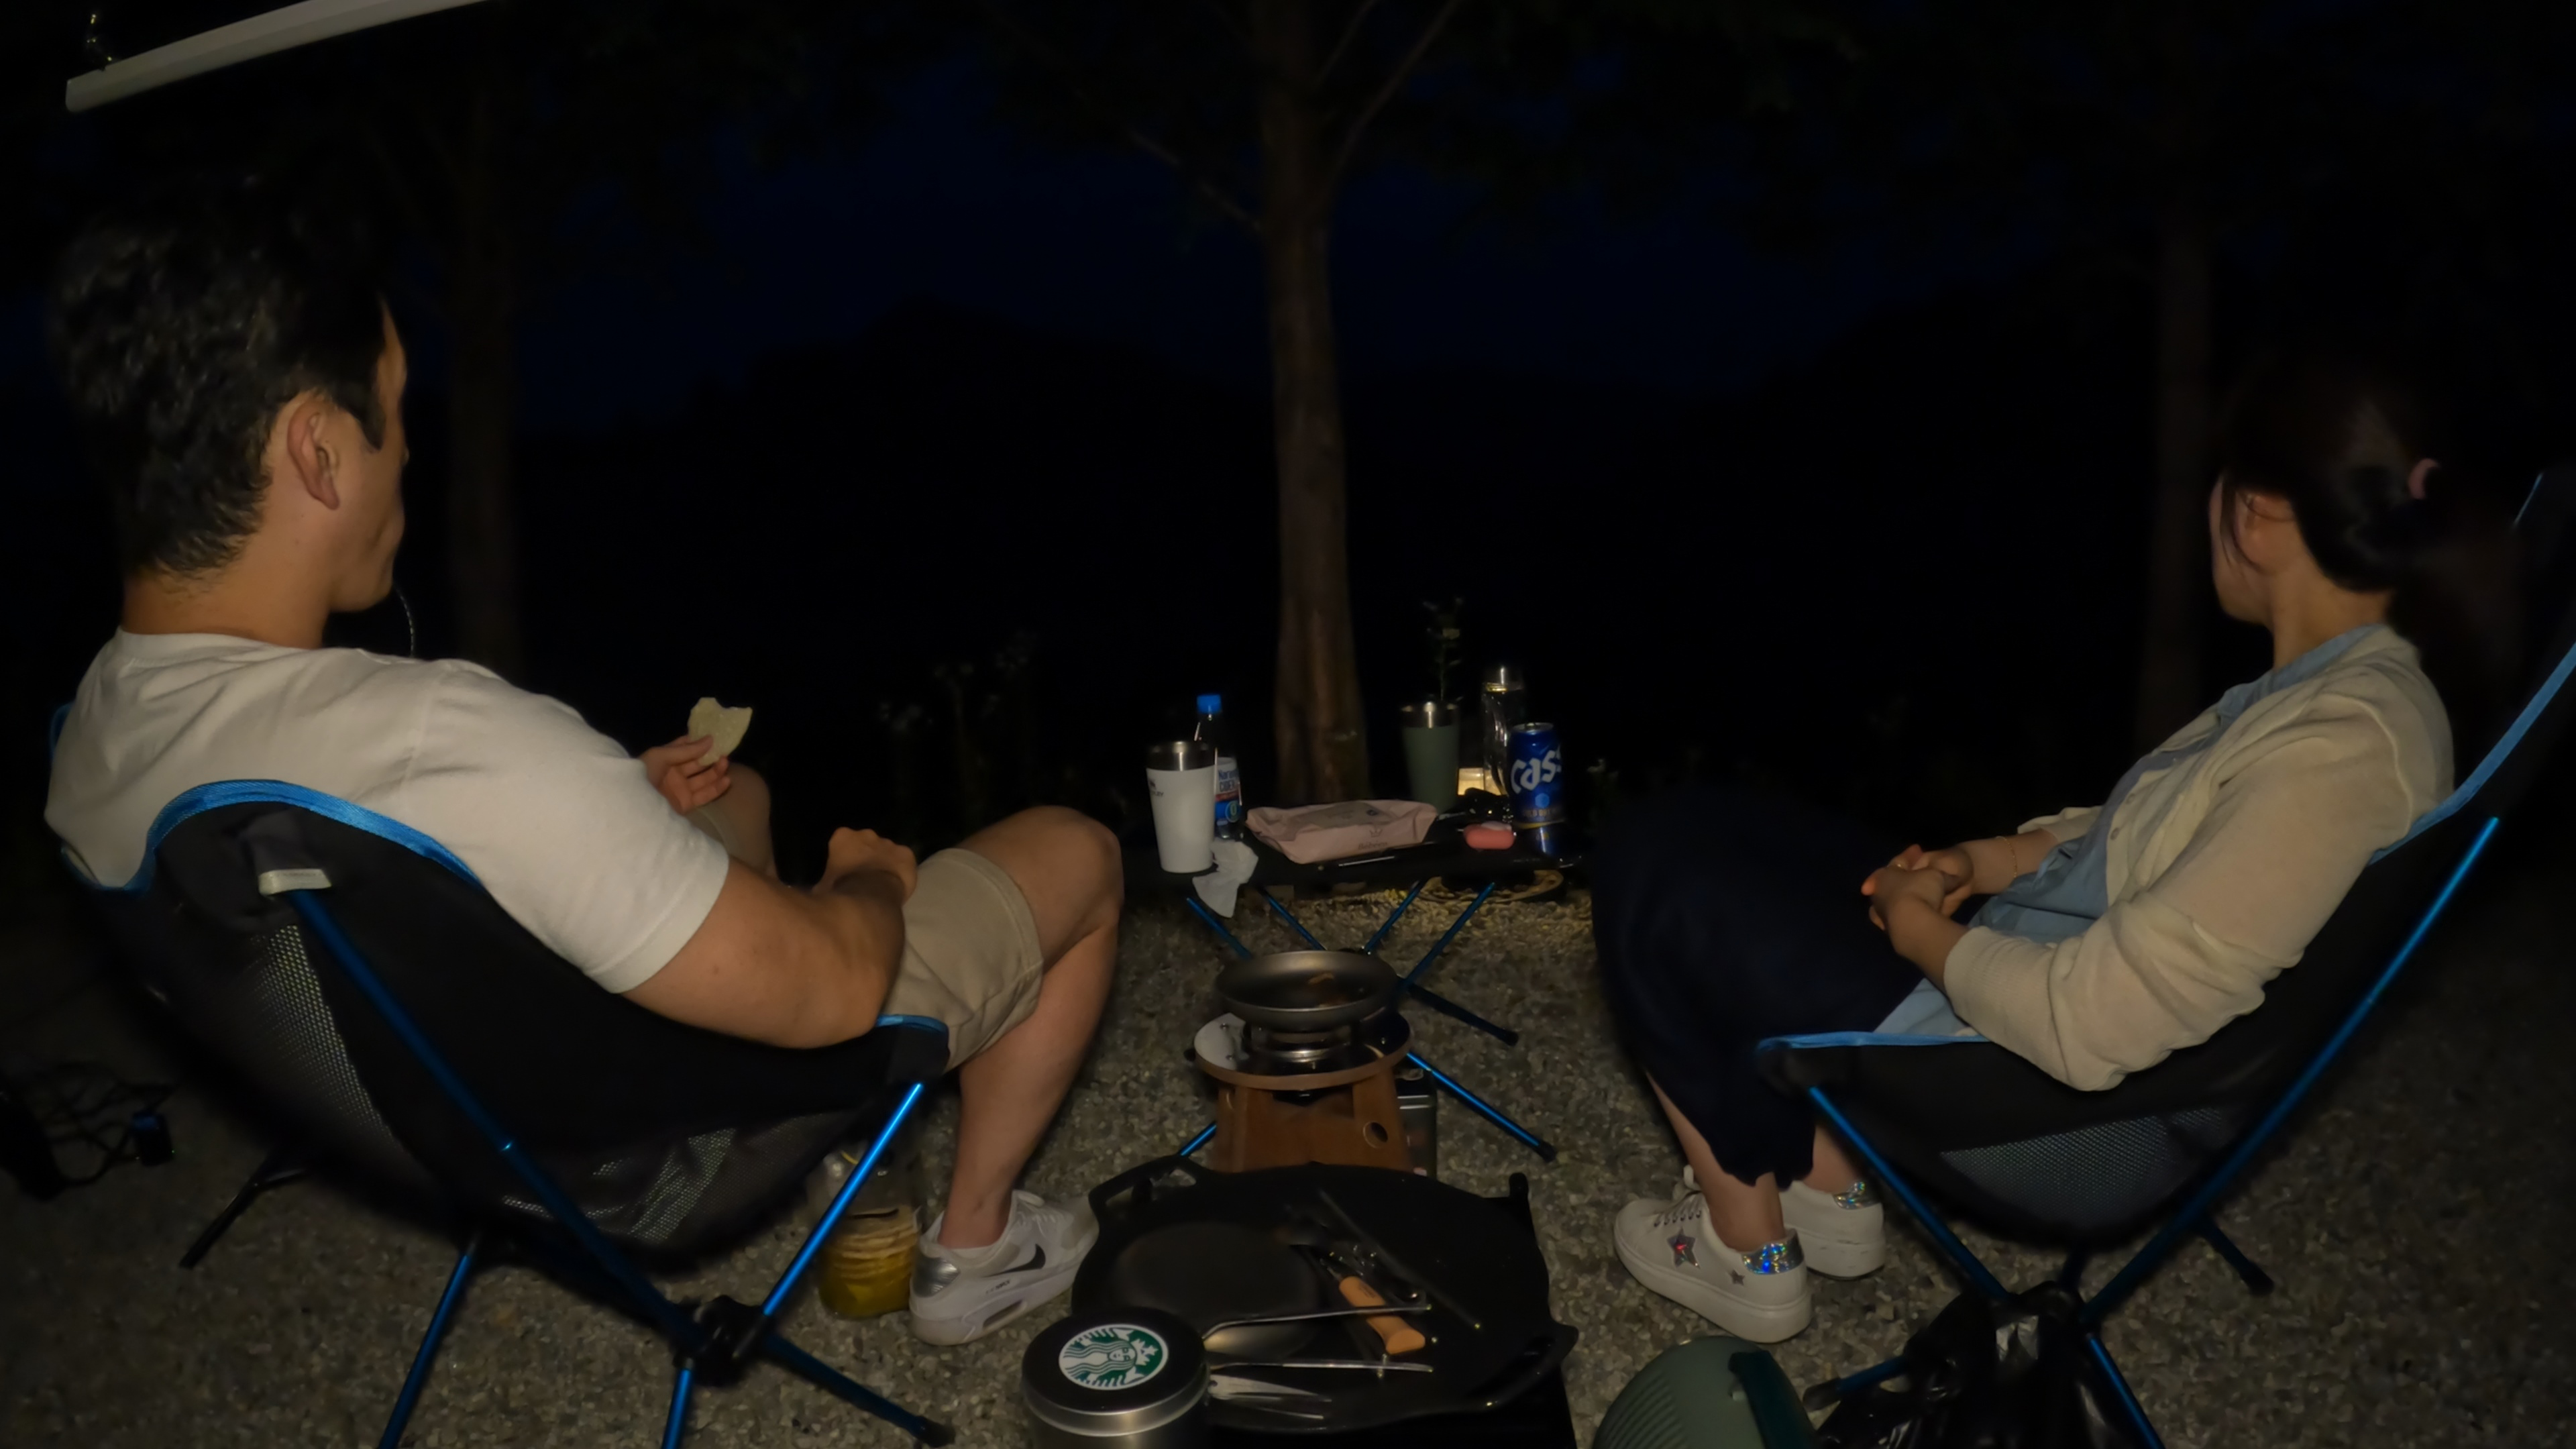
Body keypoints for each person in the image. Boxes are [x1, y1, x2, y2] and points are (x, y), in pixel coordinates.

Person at [41, 188, 1118, 1347]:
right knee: (1078, 852)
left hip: (461, 1127)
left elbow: (409, 884)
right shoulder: (440, 735)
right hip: (663, 1142)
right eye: (392, 411)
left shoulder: (90, 744)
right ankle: (976, 1250)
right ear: (316, 448)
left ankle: (778, 1008)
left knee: (740, 793)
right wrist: (867, 885)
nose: (409, 445)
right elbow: (839, 986)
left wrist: (606, 813)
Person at [1593, 350, 2501, 1342]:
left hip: (2042, 1105)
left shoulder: (2339, 752)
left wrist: (1920, 933)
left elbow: (2091, 1022)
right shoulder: (2346, 696)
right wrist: (1979, 863)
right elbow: (2140, 834)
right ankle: (1831, 1186)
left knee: (1650, 863)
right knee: (1744, 833)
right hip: (2045, 1010)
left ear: (2259, 514)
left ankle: (1747, 1253)